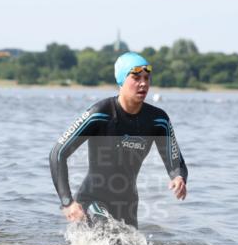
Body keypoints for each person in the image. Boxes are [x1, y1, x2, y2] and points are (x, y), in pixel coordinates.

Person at [49, 52, 187, 227]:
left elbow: (176, 162)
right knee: (108, 231)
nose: (143, 83)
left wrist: (178, 177)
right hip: (92, 200)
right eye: (136, 78)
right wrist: (67, 202)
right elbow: (57, 153)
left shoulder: (158, 120)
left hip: (127, 205)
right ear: (121, 81)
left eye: (146, 78)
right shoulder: (100, 113)